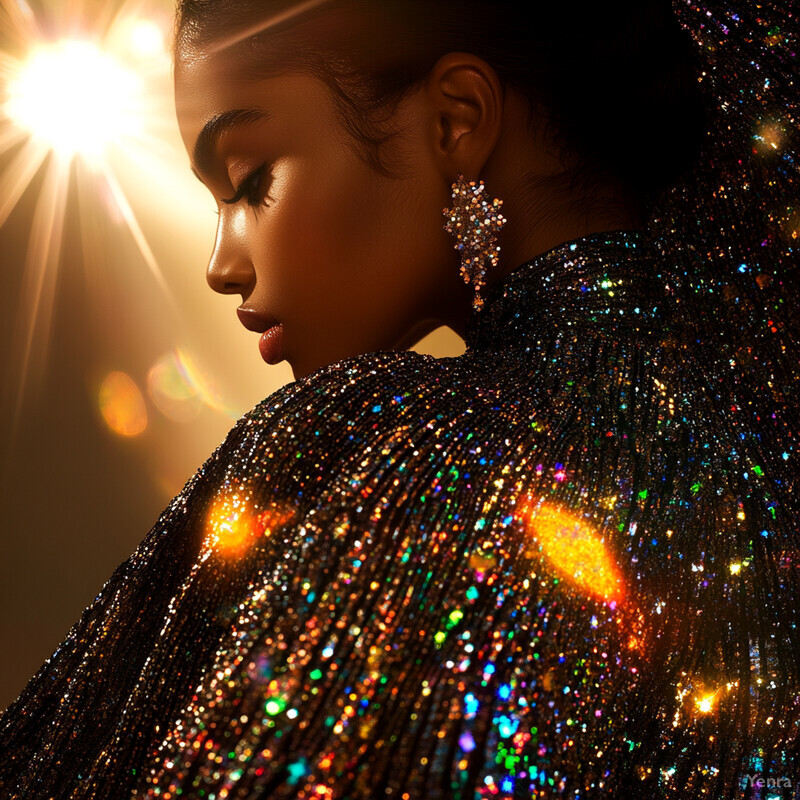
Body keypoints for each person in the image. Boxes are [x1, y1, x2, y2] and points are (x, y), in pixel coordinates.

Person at [1, 0, 798, 798]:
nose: (221, 264)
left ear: (457, 120)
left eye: (250, 181)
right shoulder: (756, 478)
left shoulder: (396, 444)